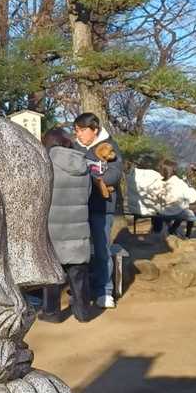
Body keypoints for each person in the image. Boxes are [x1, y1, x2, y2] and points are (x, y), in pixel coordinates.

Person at [37, 128, 103, 323]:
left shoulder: (45, 163)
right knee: (79, 273)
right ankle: (83, 313)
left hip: (53, 227)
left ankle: (52, 313)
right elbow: (88, 193)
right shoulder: (83, 164)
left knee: (52, 273)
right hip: (78, 225)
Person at [72, 112, 122, 310]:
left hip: (102, 207)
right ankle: (79, 292)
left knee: (102, 250)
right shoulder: (74, 147)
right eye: (76, 130)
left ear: (95, 130)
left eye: (82, 130)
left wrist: (92, 179)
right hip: (77, 207)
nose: (78, 134)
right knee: (77, 252)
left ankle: (105, 291)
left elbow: (115, 174)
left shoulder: (110, 145)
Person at [151, 159, 196, 237]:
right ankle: (187, 235)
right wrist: (191, 189)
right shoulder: (179, 183)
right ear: (174, 170)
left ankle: (171, 229)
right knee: (190, 214)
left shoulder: (156, 183)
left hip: (161, 212)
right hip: (177, 212)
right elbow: (192, 198)